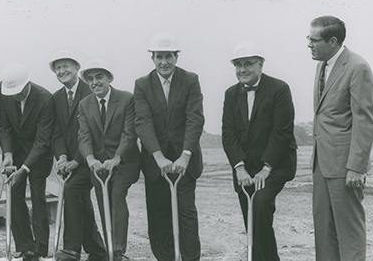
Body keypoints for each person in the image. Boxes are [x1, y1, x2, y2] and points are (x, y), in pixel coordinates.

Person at [307, 15, 373, 261]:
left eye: (314, 40)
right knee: (324, 231)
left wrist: (356, 167)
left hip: (345, 166)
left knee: (348, 232)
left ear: (333, 40)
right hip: (321, 164)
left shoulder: (357, 67)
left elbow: (365, 120)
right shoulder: (322, 66)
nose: (309, 45)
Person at [221, 41, 297, 261]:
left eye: (248, 64)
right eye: (238, 65)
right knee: (251, 216)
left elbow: (281, 132)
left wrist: (267, 168)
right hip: (245, 168)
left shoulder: (279, 89)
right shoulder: (231, 94)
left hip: (276, 164)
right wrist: (239, 167)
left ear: (261, 64)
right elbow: (229, 133)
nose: (243, 69)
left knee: (261, 203)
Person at [134, 32, 204, 261]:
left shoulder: (190, 79)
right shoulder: (142, 84)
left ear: (176, 56)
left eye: (168, 56)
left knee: (185, 213)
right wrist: (157, 157)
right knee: (159, 215)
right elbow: (142, 122)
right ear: (152, 58)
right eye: (159, 57)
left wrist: (185, 155)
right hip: (156, 162)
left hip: (185, 160)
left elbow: (195, 118)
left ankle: (190, 258)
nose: (164, 62)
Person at [78, 59, 141, 261]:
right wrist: (89, 159)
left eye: (99, 77)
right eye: (90, 79)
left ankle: (119, 251)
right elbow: (84, 135)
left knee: (116, 196)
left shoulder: (126, 99)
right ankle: (110, 250)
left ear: (109, 78)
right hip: (98, 166)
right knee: (103, 203)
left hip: (123, 162)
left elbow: (129, 133)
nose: (95, 82)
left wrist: (117, 158)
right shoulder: (85, 104)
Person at [49, 50, 107, 261]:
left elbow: (93, 132)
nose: (62, 71)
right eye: (58, 68)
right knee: (78, 196)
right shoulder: (55, 98)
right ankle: (98, 251)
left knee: (73, 191)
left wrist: (76, 160)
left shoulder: (91, 91)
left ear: (77, 68)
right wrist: (62, 157)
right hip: (71, 161)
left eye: (66, 66)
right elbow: (56, 133)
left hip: (92, 159)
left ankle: (72, 249)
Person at [0, 63, 55, 261]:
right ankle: (24, 247)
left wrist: (25, 168)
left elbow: (42, 140)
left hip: (39, 154)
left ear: (27, 83)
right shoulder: (3, 91)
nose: (16, 96)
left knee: (38, 197)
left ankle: (40, 248)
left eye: (20, 92)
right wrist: (7, 153)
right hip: (16, 152)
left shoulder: (45, 98)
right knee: (13, 195)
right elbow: (3, 125)